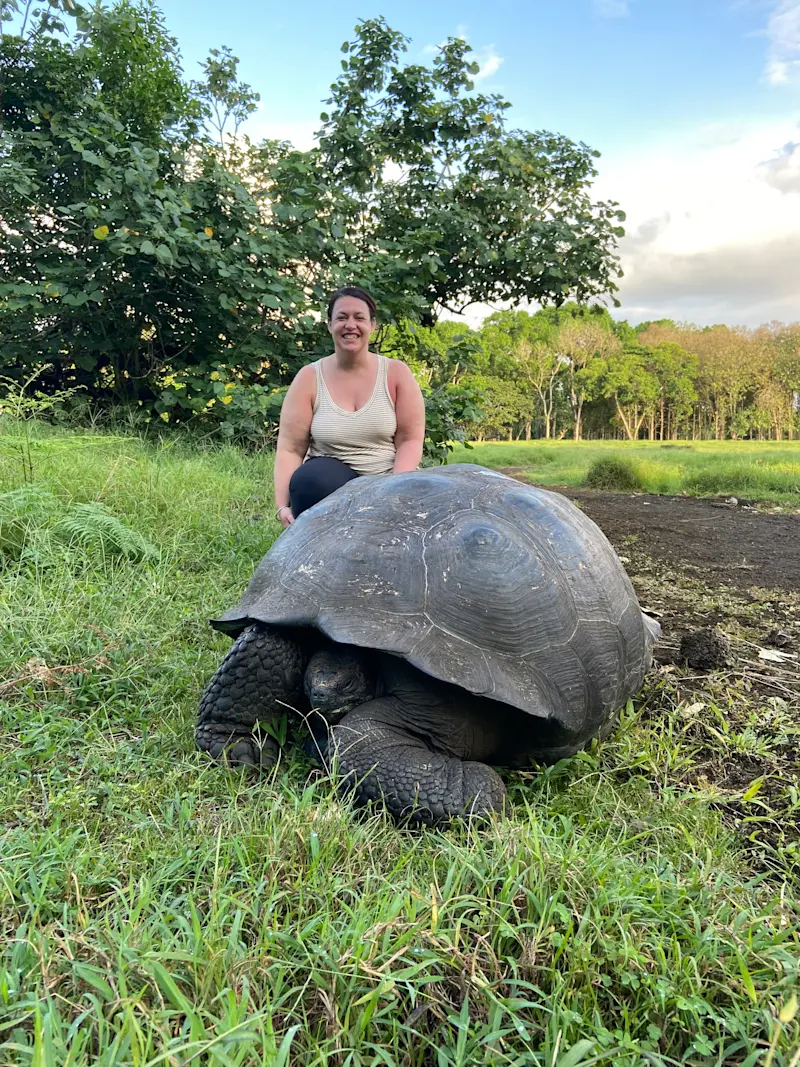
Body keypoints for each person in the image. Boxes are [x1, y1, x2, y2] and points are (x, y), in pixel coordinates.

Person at [273, 286, 426, 528]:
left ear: (372, 325)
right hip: (327, 486)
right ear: (329, 324)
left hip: (387, 479)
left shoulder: (397, 373)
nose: (350, 325)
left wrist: (395, 490)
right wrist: (282, 505)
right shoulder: (308, 377)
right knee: (309, 480)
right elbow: (290, 449)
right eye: (342, 317)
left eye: (359, 318)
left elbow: (410, 439)